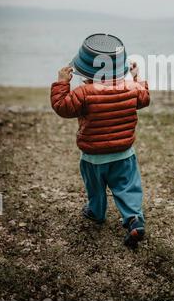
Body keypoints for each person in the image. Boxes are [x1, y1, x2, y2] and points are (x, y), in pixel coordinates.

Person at [50, 34, 150, 248]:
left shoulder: (84, 93)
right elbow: (144, 98)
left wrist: (62, 83)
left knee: (95, 187)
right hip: (124, 154)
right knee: (127, 187)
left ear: (84, 72)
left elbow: (62, 107)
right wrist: (135, 78)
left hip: (93, 156)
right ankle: (133, 219)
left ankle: (96, 212)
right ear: (120, 68)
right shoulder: (131, 88)